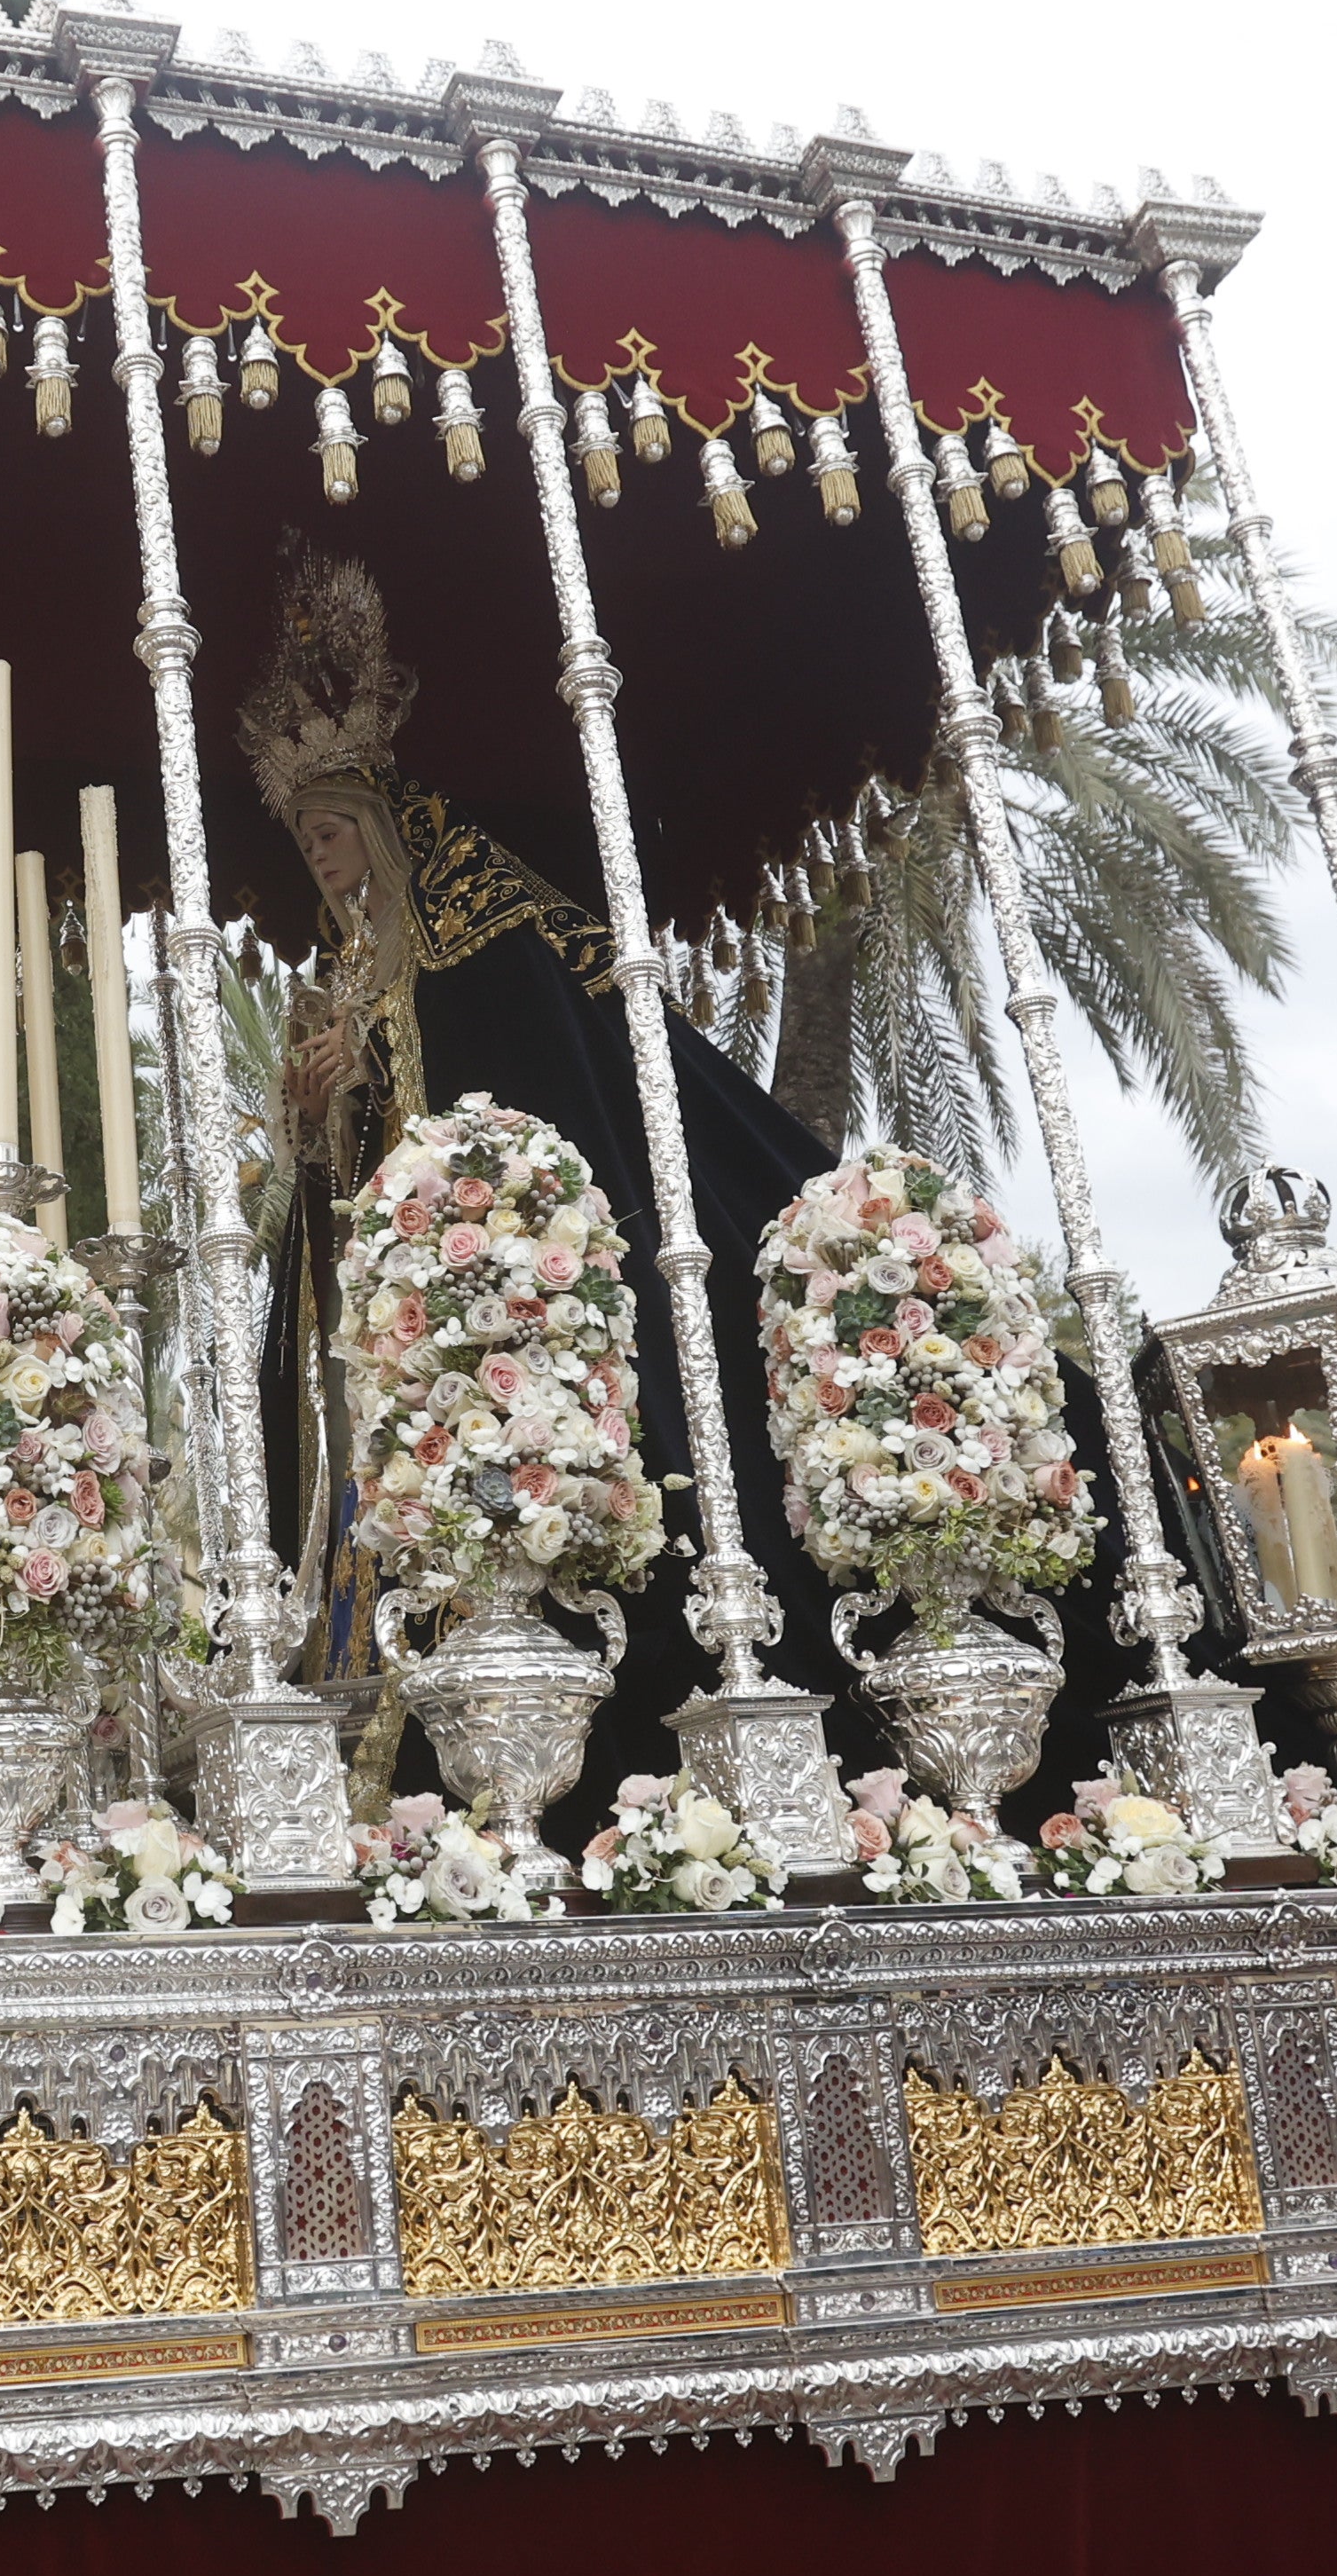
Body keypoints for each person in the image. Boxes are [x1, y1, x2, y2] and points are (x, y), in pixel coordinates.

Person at [237, 555, 867, 1837]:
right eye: (303, 839)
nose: (319, 855)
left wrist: (376, 1068)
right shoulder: (342, 982)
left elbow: (530, 1106)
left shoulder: (484, 944)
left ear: (392, 822)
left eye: (334, 825)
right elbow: (340, 1182)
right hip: (397, 1319)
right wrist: (315, 1117)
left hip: (502, 1304)